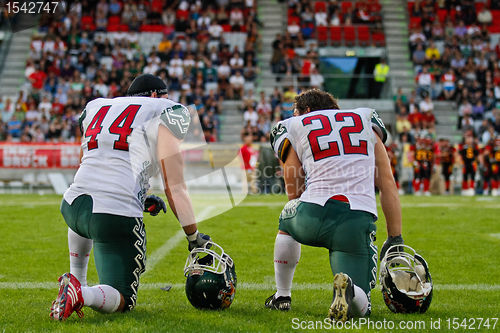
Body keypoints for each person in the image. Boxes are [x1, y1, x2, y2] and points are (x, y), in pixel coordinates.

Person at [49, 74, 211, 320]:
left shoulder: (98, 106)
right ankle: (81, 294)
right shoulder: (164, 110)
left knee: (87, 208)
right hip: (111, 215)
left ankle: (75, 282)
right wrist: (193, 236)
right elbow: (174, 186)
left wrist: (140, 196)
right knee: (122, 297)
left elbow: (94, 165)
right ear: (156, 96)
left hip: (73, 205)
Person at [266, 89, 403, 321]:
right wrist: (395, 238)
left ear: (306, 111)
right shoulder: (366, 118)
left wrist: (302, 211)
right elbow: (387, 183)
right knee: (361, 305)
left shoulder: (292, 125)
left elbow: (294, 186)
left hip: (311, 213)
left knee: (287, 220)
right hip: (356, 219)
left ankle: (282, 296)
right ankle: (350, 291)